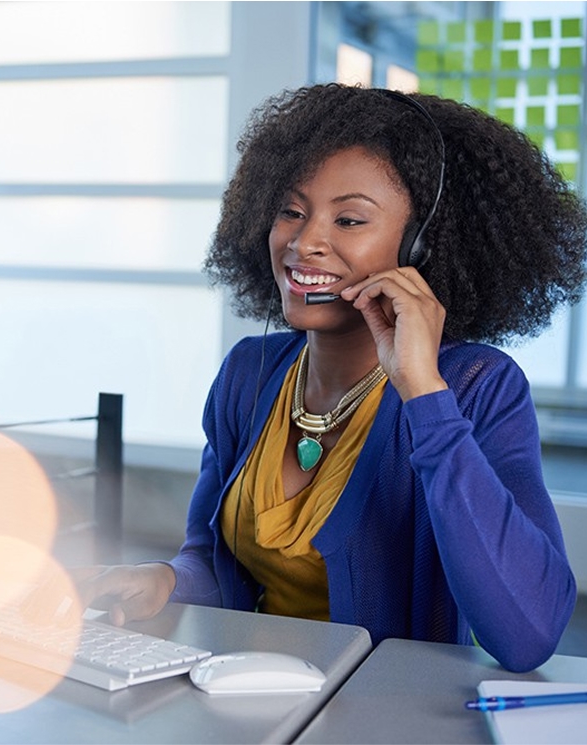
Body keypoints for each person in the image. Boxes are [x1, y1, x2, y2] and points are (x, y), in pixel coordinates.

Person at [47, 84, 587, 673]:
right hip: (245, 694)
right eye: (291, 211)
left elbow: (529, 635)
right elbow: (214, 566)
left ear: (423, 247)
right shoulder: (249, 374)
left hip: (383, 718)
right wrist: (164, 579)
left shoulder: (475, 386)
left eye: (349, 219)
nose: (305, 244)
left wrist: (422, 391)